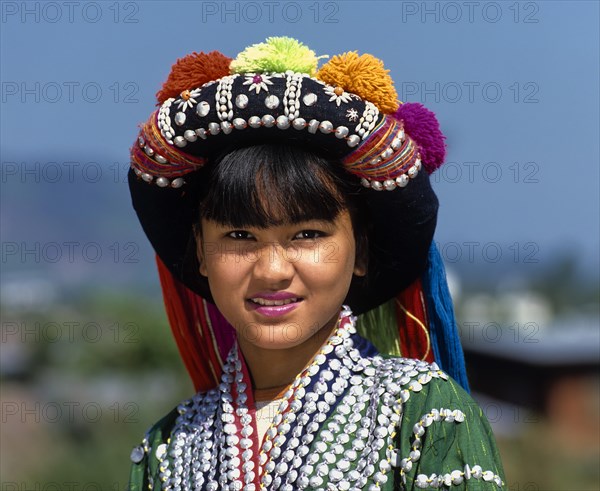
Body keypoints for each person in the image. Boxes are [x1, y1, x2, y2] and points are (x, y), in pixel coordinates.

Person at [126, 37, 507, 490]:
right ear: (201, 252)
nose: (271, 270)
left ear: (360, 250)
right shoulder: (169, 449)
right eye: (239, 236)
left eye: (307, 235)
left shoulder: (422, 414)